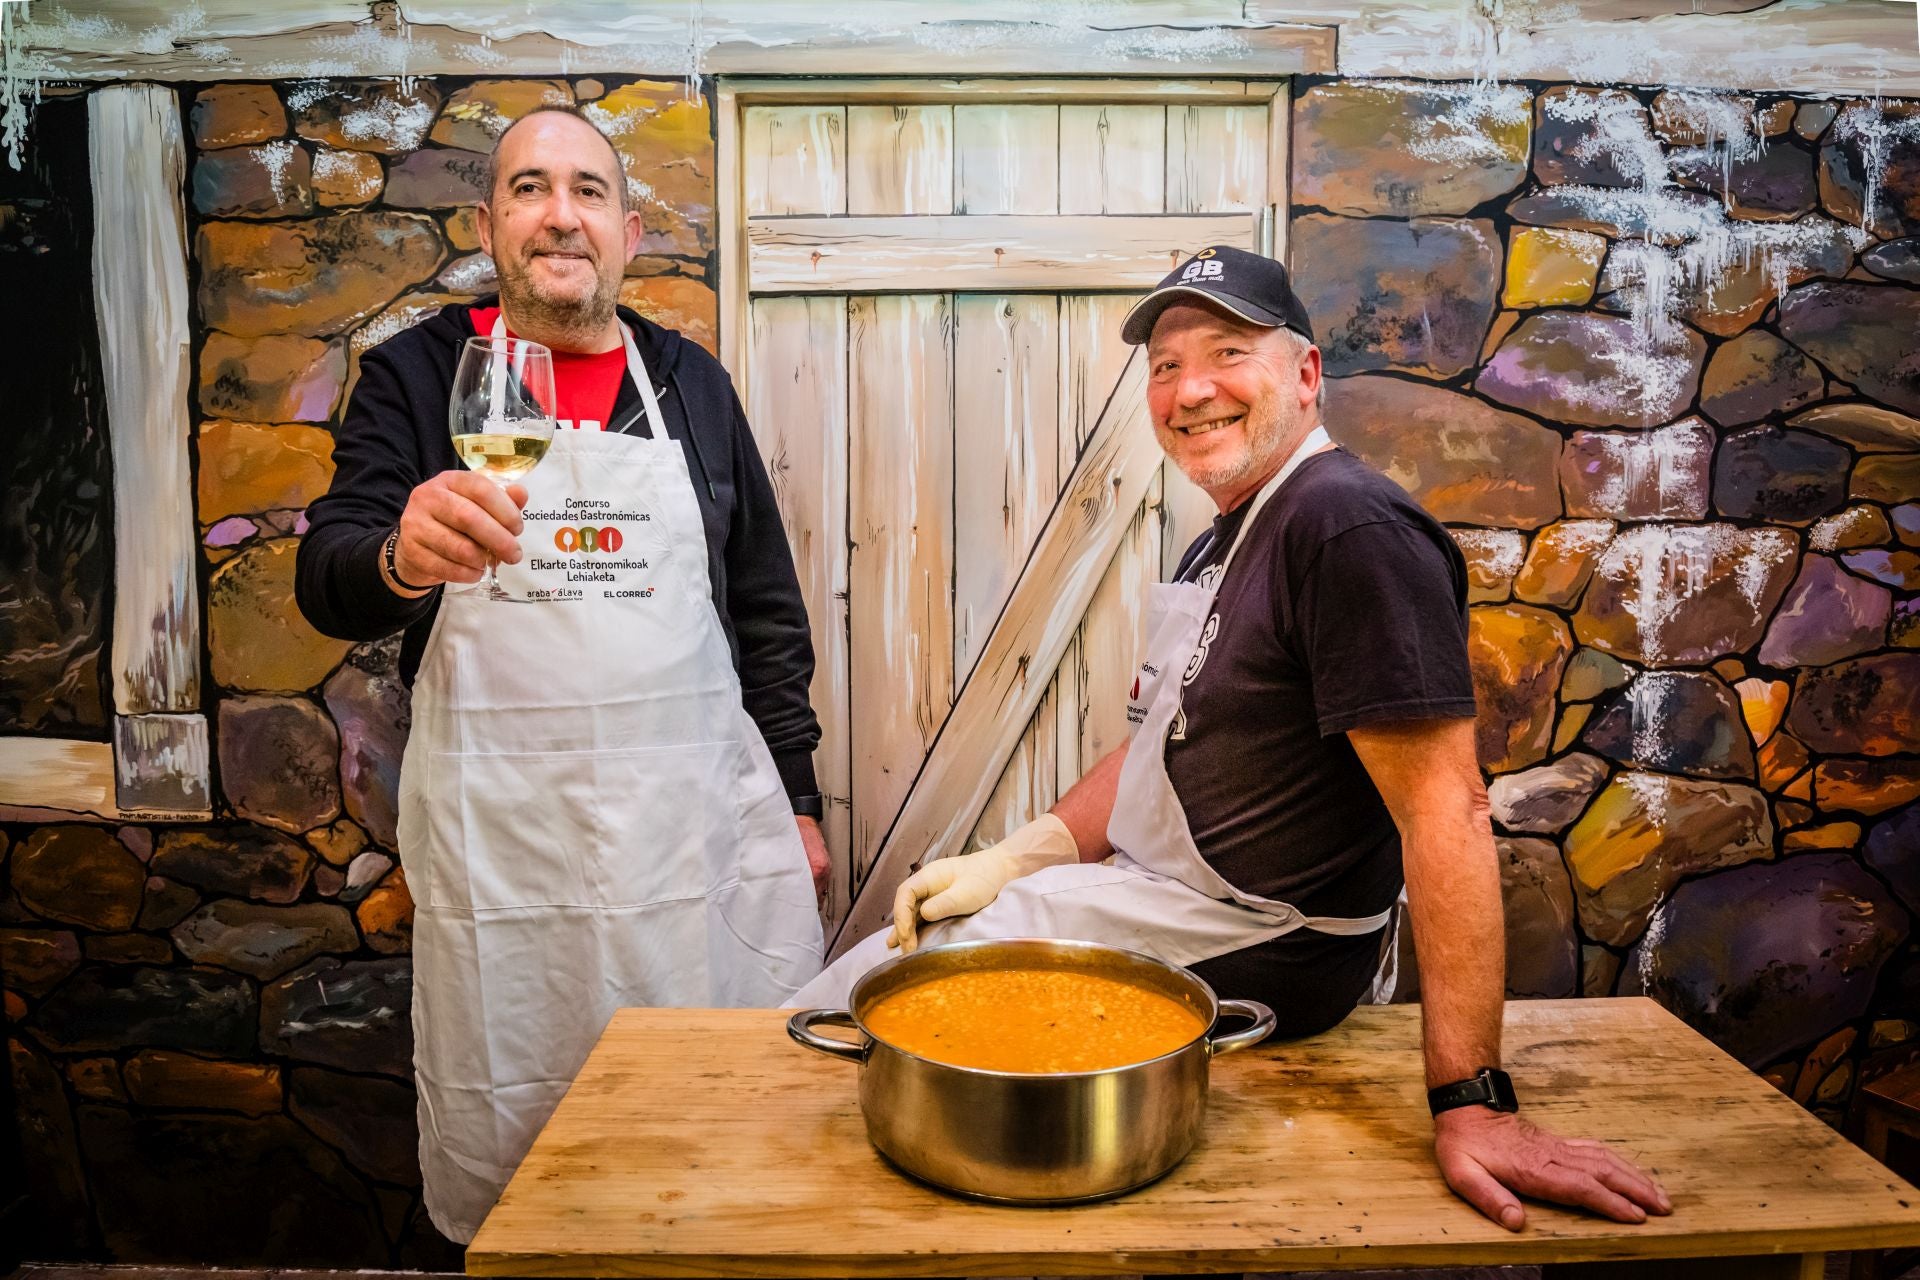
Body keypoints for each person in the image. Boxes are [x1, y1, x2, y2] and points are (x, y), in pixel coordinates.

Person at [794, 246, 1670, 1233]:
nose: (1190, 388)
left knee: (901, 989)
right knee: (900, 963)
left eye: (1226, 351)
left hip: (1265, 940)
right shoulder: (1229, 534)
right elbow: (1167, 737)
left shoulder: (1344, 527)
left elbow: (1446, 808)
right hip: (1169, 898)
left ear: (1304, 374)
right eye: (1165, 365)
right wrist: (1016, 855)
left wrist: (1473, 1104)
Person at [295, 104, 826, 1244]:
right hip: (508, 837)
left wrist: (797, 795)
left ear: (628, 231)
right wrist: (398, 553)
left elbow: (765, 612)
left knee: (709, 1121)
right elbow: (327, 571)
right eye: (531, 188)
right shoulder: (418, 376)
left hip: (685, 833)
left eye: (588, 190)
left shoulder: (690, 383)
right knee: (522, 1134)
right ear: (489, 224)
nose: (561, 214)